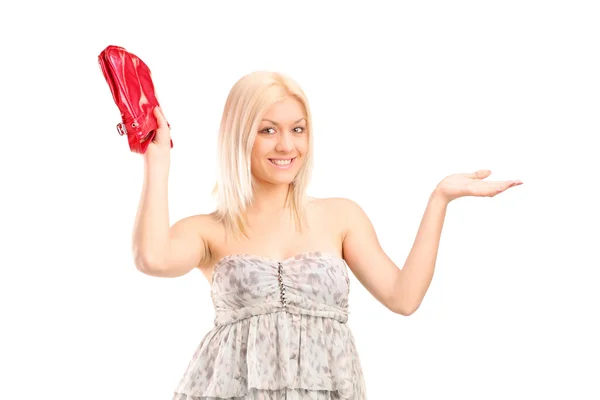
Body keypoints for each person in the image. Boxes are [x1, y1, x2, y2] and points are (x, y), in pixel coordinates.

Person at [131, 71, 523, 399]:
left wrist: (440, 198)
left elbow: (404, 298)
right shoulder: (209, 229)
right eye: (268, 130)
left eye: (297, 129)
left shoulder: (340, 215)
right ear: (239, 136)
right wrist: (158, 160)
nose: (287, 145)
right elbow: (152, 259)